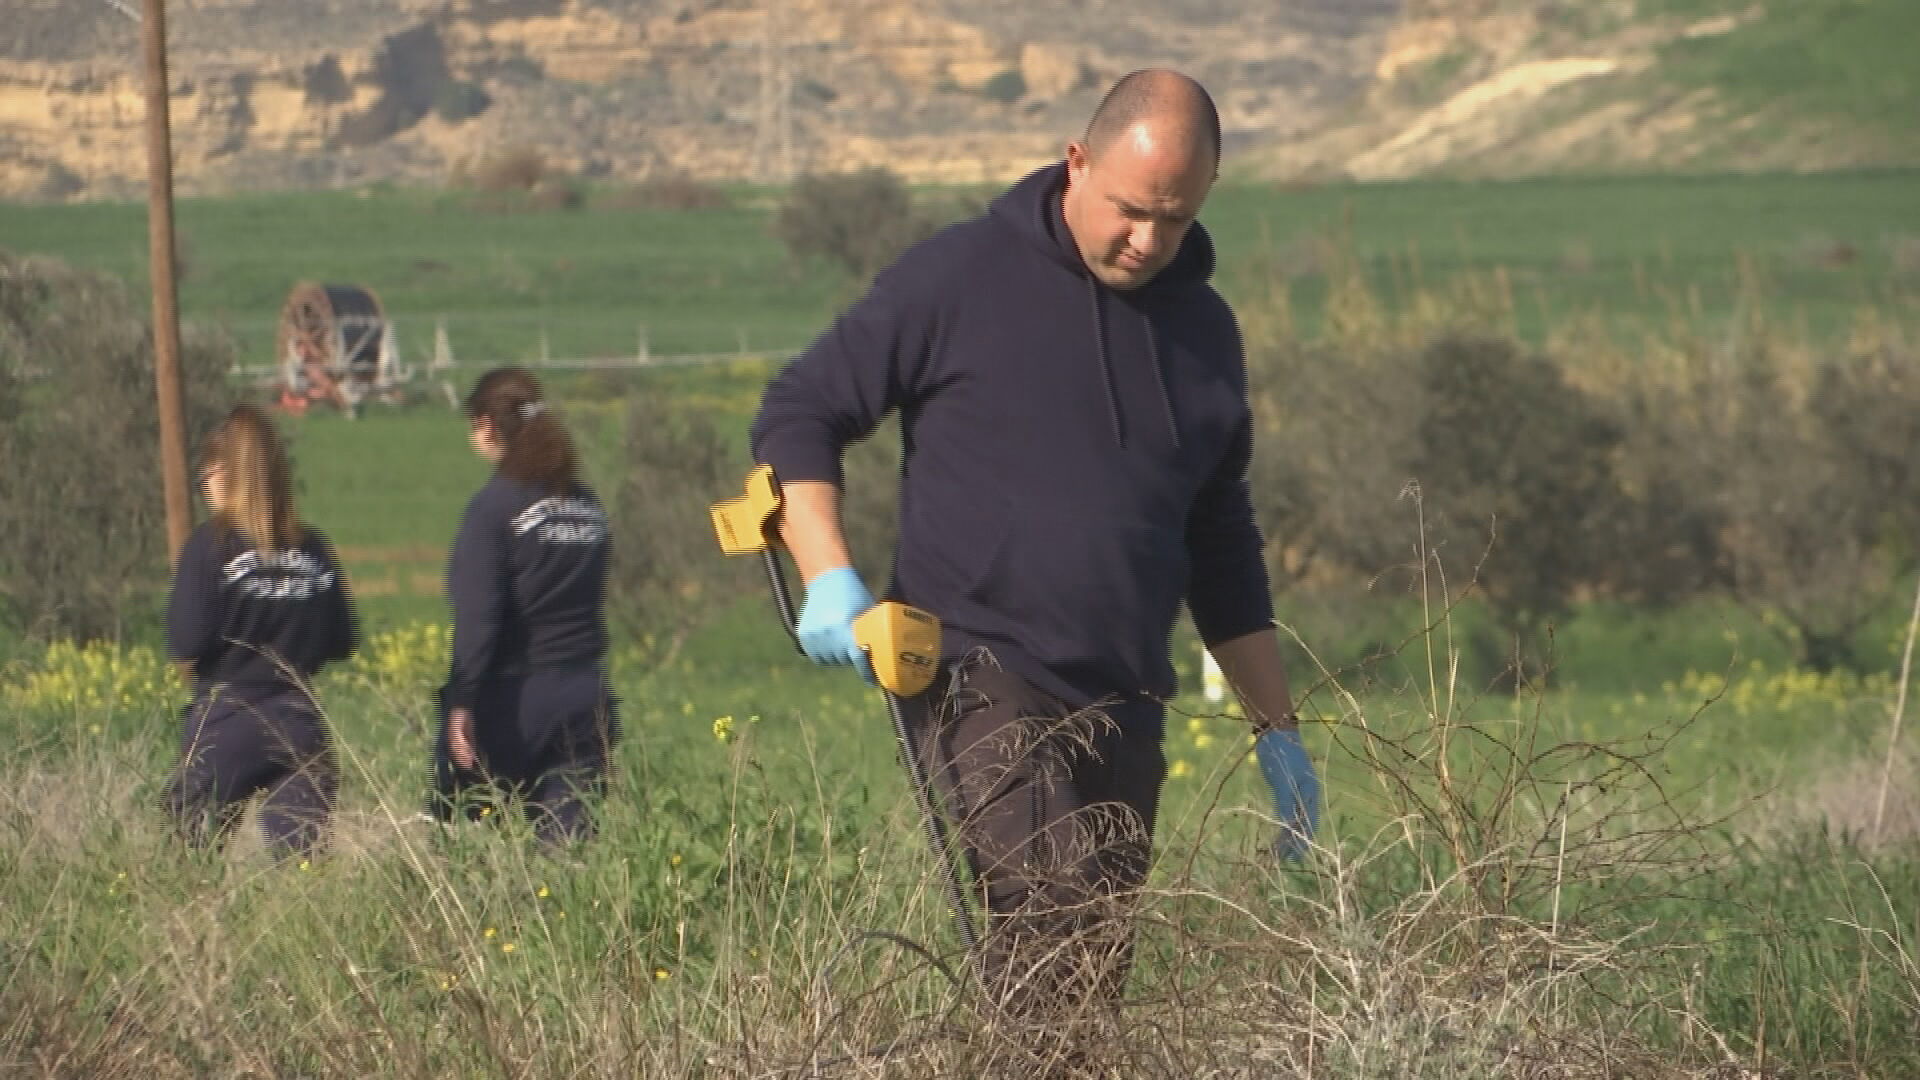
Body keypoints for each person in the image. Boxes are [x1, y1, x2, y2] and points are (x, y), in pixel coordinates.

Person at [750, 69, 1321, 1014]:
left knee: (1085, 976)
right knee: (1054, 926)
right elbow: (800, 411)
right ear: (1076, 161)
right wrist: (829, 577)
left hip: (1127, 702)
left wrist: (1280, 736)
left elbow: (1221, 544)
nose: (1146, 241)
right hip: (979, 671)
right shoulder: (959, 278)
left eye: (1174, 220)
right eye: (1130, 209)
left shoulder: (1206, 334)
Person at [430, 367, 617, 847]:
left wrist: (461, 703)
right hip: (583, 697)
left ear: (488, 427)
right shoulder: (587, 507)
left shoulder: (494, 508)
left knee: (463, 848)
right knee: (569, 853)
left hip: (512, 699)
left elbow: (479, 618)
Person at [163, 403, 358, 859]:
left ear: (220, 473)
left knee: (186, 864)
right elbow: (342, 640)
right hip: (302, 724)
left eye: (204, 475)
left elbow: (186, 641)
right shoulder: (313, 547)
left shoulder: (210, 545)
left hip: (226, 721)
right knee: (304, 874)